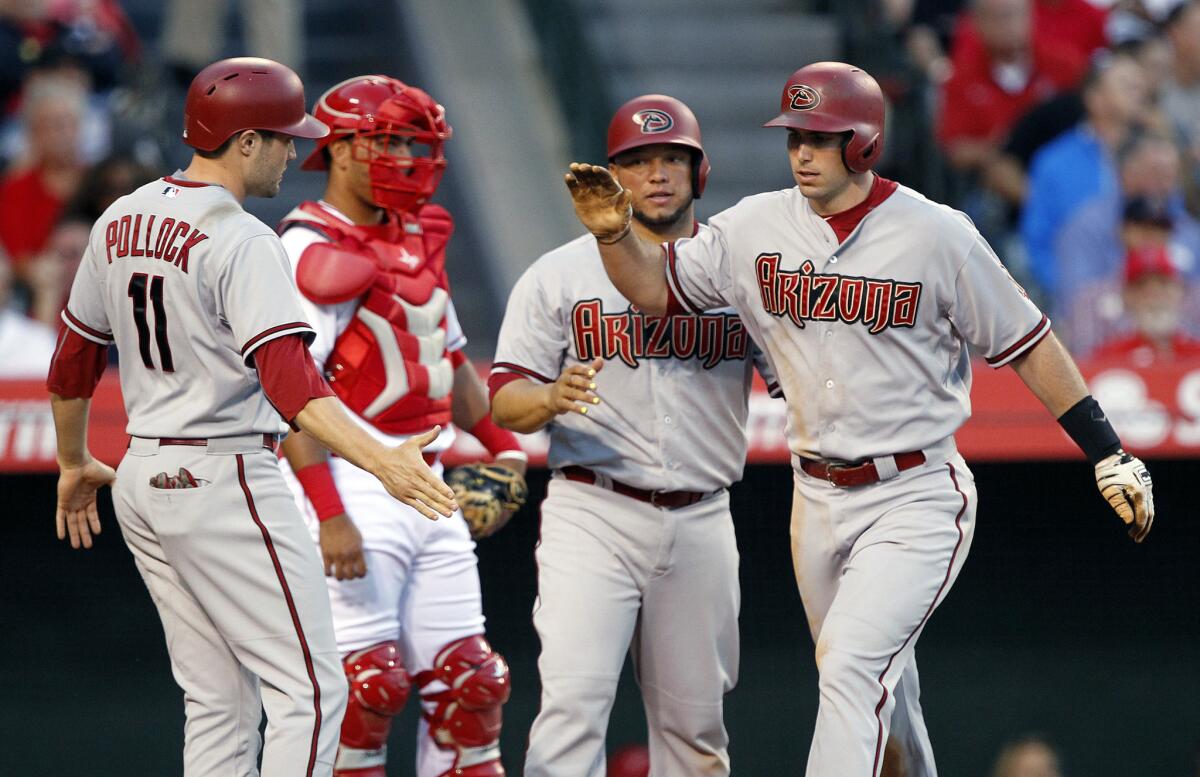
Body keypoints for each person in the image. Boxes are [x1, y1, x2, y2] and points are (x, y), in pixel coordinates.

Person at [564, 61, 1155, 777]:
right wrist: (613, 237)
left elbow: (1028, 343)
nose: (803, 154)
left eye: (820, 138)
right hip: (816, 496)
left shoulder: (939, 235)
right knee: (886, 705)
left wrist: (1105, 448)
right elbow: (657, 290)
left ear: (865, 142)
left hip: (916, 492)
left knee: (848, 670)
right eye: (794, 139)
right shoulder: (754, 225)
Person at [45, 57, 457, 777]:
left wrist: (74, 459)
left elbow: (73, 359)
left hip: (144, 470)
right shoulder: (245, 239)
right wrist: (383, 457)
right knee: (315, 688)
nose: (294, 151)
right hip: (225, 469)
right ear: (243, 142)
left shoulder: (118, 217)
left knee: (217, 698)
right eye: (281, 137)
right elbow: (292, 383)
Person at [491, 94, 780, 777]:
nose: (656, 174)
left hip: (702, 513)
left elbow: (802, 376)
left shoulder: (736, 271)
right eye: (638, 160)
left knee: (697, 731)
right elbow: (506, 397)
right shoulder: (559, 274)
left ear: (698, 172)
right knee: (571, 714)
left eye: (671, 159)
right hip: (595, 509)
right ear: (610, 176)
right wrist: (548, 397)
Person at [276, 74, 525, 777]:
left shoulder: (419, 233)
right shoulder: (306, 248)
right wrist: (328, 514)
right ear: (344, 150)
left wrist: (503, 449)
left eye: (415, 144)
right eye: (391, 142)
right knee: (367, 689)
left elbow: (444, 355)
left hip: (430, 483)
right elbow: (291, 395)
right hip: (349, 486)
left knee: (474, 684)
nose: (411, 159)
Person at [1091, 243, 1200, 363]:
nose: (1155, 295)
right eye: (1141, 286)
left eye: (1163, 284)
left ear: (1180, 290)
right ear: (1127, 296)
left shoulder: (1196, 353)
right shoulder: (1108, 357)